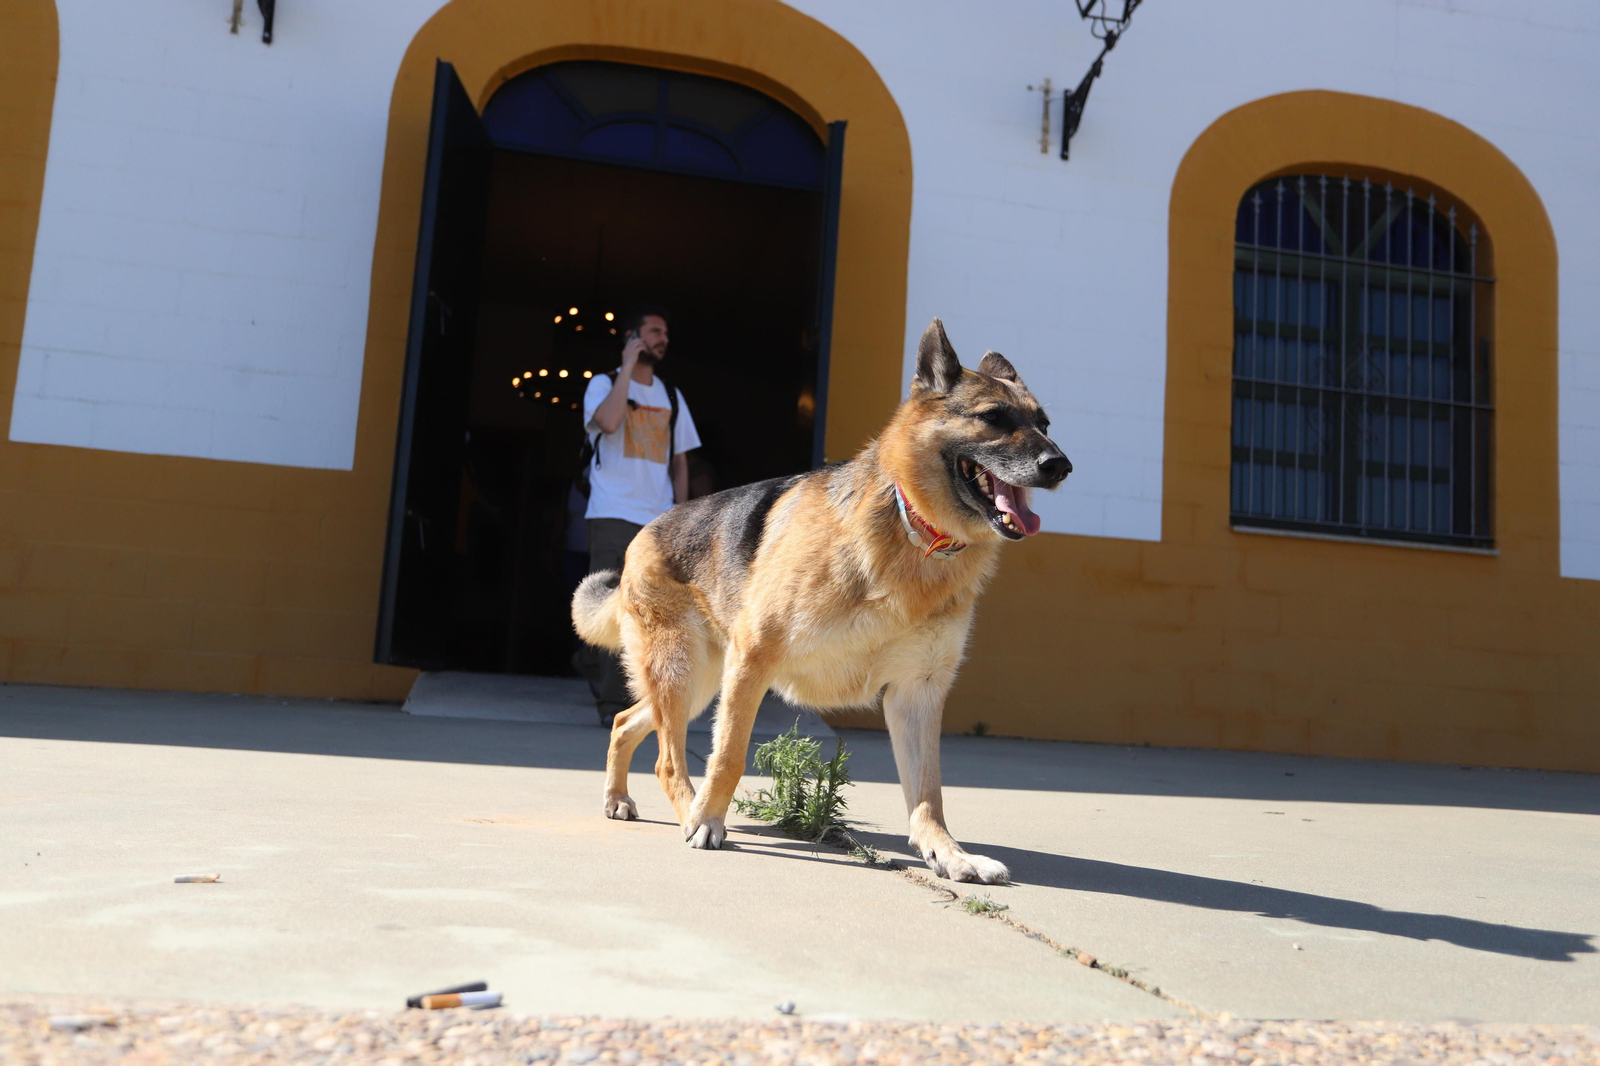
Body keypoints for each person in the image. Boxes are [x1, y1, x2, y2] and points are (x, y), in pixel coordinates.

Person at [578, 305, 701, 725]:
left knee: (649, 612)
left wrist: (681, 518)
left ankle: (628, 697)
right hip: (612, 513)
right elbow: (609, 423)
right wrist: (627, 367)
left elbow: (680, 462)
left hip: (657, 523)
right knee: (609, 609)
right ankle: (611, 704)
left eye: (665, 332)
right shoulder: (603, 384)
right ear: (632, 337)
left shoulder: (672, 396)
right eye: (653, 331)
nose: (662, 337)